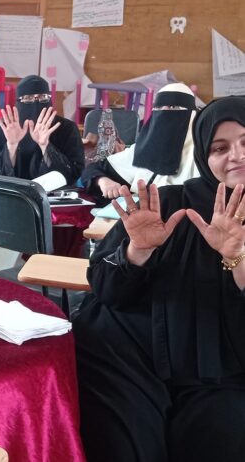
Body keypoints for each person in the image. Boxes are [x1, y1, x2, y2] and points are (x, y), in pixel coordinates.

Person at [73, 95, 245, 462]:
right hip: (129, 354)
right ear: (204, 155)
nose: (237, 156)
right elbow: (105, 288)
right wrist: (139, 250)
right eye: (220, 147)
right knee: (126, 447)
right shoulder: (166, 203)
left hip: (222, 369)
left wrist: (236, 257)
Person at [81, 83, 199, 203]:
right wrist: (103, 181)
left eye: (173, 107)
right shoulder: (145, 149)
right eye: (158, 107)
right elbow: (94, 169)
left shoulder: (200, 157)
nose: (164, 112)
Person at [0, 75, 84, 185]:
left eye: (43, 98)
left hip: (52, 194)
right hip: (12, 192)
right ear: (18, 101)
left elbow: (74, 173)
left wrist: (46, 147)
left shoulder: (67, 128)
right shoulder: (5, 129)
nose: (36, 104)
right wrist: (11, 146)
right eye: (28, 99)